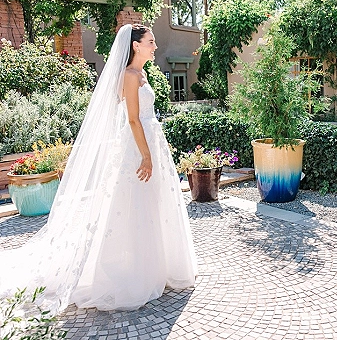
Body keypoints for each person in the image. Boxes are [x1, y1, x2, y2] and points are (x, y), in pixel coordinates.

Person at [0, 24, 197, 312]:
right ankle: (132, 273)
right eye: (151, 42)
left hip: (151, 144)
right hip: (137, 149)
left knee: (153, 205)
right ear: (135, 46)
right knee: (134, 204)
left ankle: (157, 265)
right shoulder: (128, 76)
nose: (155, 46)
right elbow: (132, 120)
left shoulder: (142, 74)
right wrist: (146, 156)